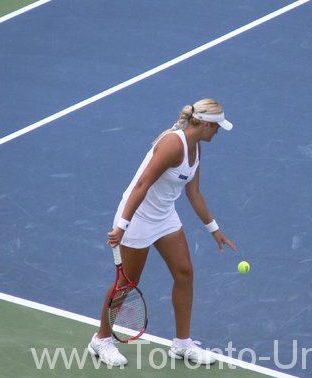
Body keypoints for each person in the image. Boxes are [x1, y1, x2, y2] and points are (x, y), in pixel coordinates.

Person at [88, 98, 236, 366]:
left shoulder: (196, 149)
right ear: (204, 124)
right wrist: (122, 226)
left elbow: (194, 192)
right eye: (216, 128)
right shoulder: (172, 145)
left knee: (185, 273)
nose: (218, 132)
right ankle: (101, 339)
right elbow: (142, 184)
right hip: (138, 218)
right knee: (126, 284)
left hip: (165, 216)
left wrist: (214, 230)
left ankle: (181, 344)